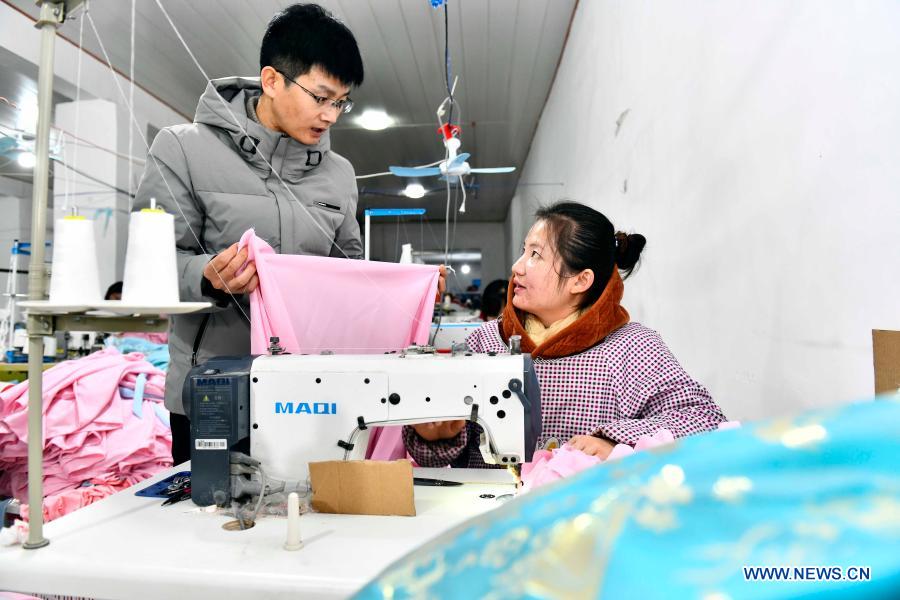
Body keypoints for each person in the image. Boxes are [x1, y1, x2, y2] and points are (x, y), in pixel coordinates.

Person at [133, 4, 367, 464]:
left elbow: (351, 276)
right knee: (210, 524)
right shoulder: (182, 149)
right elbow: (149, 266)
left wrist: (401, 286)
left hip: (310, 392)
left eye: (341, 102)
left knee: (313, 523)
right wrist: (207, 275)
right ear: (272, 80)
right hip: (214, 391)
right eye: (320, 97)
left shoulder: (339, 175)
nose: (331, 116)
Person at [404, 201, 726, 467]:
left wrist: (612, 441)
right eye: (523, 251)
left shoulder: (633, 348)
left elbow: (704, 420)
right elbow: (439, 457)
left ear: (580, 281)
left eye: (535, 255)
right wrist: (436, 438)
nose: (517, 267)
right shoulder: (484, 342)